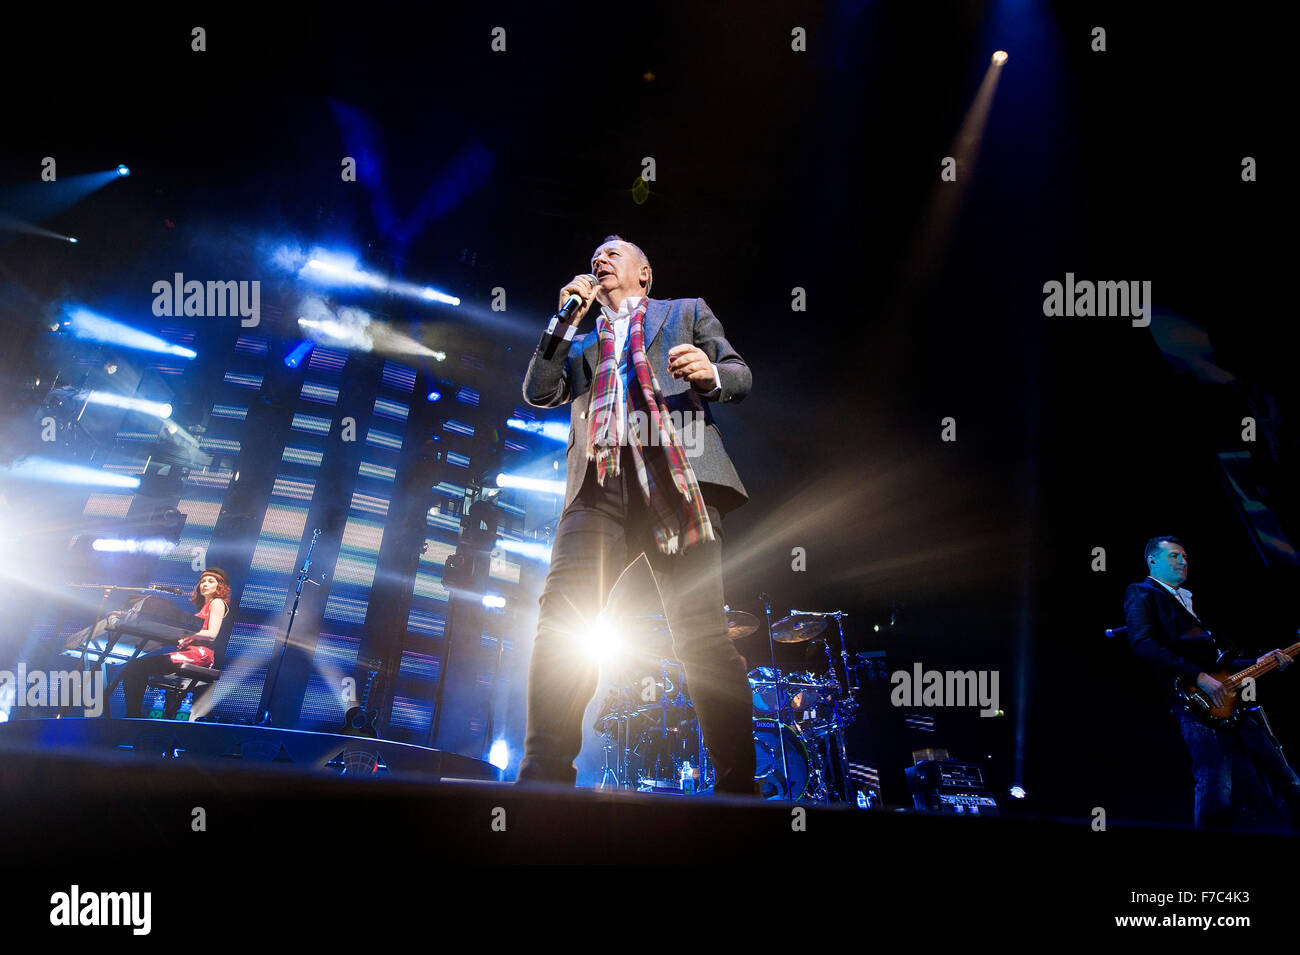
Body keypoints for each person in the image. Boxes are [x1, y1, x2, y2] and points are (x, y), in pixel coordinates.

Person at [518, 235, 757, 794]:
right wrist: (561, 324)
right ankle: (544, 780)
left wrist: (711, 374)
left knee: (701, 637)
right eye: (592, 255)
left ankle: (740, 792)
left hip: (677, 477)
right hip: (601, 485)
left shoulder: (685, 313)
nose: (598, 259)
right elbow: (537, 391)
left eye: (612, 252)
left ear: (644, 273)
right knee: (562, 621)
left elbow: (739, 374)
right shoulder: (582, 344)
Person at [1123, 535, 1300, 828]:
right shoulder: (1142, 592)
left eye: (1185, 557)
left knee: (1283, 775)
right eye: (1175, 556)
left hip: (1230, 702)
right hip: (1193, 703)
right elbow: (1143, 643)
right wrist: (1199, 678)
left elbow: (1219, 664)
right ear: (1152, 560)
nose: (1183, 562)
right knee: (1216, 784)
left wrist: (1258, 663)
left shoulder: (1187, 599)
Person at [120, 567, 233, 719]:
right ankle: (134, 715)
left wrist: (186, 635)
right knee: (135, 667)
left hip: (200, 654)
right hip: (189, 652)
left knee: (136, 667)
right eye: (202, 581)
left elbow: (212, 635)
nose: (205, 584)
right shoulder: (205, 607)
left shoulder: (217, 603)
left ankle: (132, 716)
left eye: (210, 581)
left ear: (219, 586)